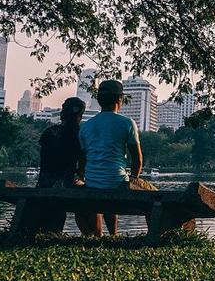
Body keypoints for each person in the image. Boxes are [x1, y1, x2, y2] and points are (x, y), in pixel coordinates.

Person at [77, 79, 156, 236]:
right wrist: (134, 179)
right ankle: (116, 235)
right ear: (120, 99)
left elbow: (83, 161)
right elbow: (138, 160)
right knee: (154, 194)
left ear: (99, 100)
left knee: (108, 187)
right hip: (118, 182)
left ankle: (107, 235)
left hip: (92, 183)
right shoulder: (127, 123)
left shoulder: (86, 126)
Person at [31, 96, 86, 234]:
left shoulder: (49, 132)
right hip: (66, 182)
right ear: (80, 115)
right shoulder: (79, 135)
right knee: (88, 191)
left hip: (44, 182)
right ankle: (94, 233)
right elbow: (82, 165)